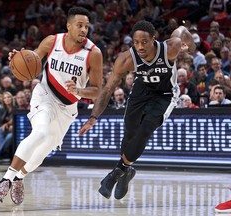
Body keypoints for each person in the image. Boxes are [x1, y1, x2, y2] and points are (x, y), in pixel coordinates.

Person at [0, 7, 103, 205]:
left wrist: (80, 91)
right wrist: (18, 59)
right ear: (69, 26)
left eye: (86, 26)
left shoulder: (94, 53)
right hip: (45, 95)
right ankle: (6, 180)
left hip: (67, 108)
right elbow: (31, 59)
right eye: (80, 25)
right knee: (40, 132)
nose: (84, 29)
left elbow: (97, 90)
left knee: (43, 151)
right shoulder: (52, 41)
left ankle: (19, 178)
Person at [79, 20, 195, 200]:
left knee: (145, 129)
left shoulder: (171, 47)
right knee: (130, 133)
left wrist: (192, 49)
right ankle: (127, 171)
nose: (140, 46)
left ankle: (116, 173)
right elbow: (108, 90)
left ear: (154, 39)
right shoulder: (126, 59)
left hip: (164, 94)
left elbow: (182, 30)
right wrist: (93, 117)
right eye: (136, 42)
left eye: (145, 42)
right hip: (142, 90)